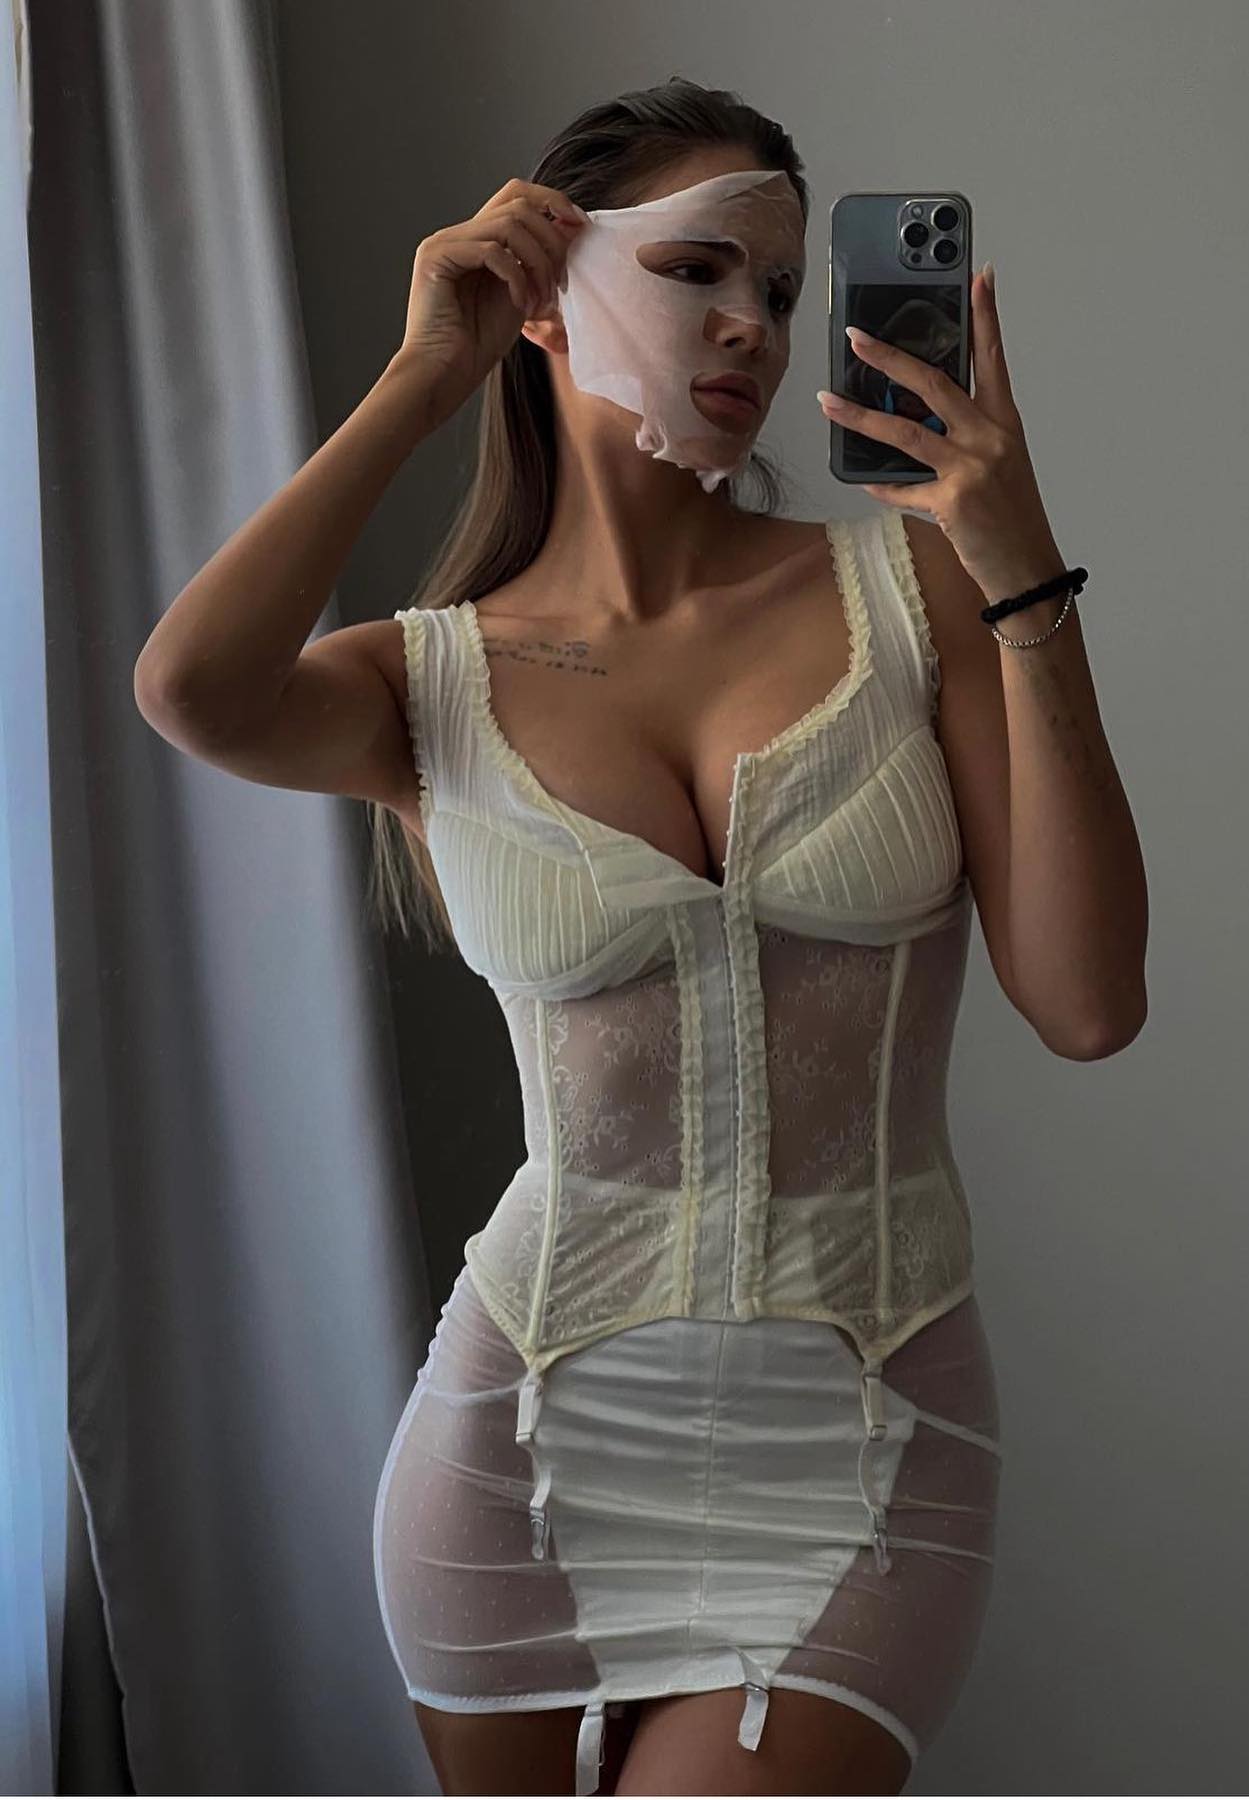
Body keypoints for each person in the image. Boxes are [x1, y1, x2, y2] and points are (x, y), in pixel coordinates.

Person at [135, 76, 1146, 1800]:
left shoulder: (911, 597)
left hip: (866, 1435)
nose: (752, 320)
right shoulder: (431, 680)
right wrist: (423, 377)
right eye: (698, 269)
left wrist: (1019, 568)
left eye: (779, 285)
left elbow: (1087, 999)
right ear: (544, 295)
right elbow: (191, 690)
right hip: (519, 1452)